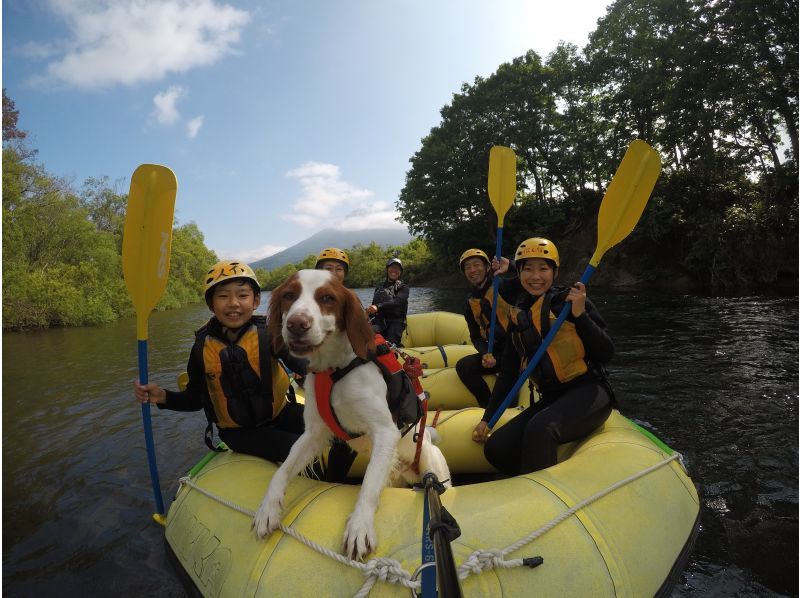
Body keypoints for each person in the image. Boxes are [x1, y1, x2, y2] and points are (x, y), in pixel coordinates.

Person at [133, 260, 350, 479]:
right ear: (211, 304)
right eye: (223, 296)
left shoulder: (269, 335)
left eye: (243, 295)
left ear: (255, 301)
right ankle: (328, 482)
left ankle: (341, 479)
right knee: (305, 452)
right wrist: (163, 397)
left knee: (343, 429)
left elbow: (305, 366)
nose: (233, 303)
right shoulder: (201, 349)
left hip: (281, 413)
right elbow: (195, 399)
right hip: (240, 433)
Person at [471, 237, 615, 475]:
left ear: (555, 272)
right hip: (552, 397)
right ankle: (532, 477)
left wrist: (581, 316)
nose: (535, 276)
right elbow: (508, 374)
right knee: (496, 448)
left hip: (590, 391)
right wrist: (488, 418)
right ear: (519, 273)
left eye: (543, 269)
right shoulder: (519, 316)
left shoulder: (570, 303)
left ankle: (538, 493)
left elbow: (606, 353)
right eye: (528, 269)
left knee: (541, 428)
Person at [455, 248, 522, 408]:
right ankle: (486, 405)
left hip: (518, 351)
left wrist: (511, 265)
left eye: (476, 264)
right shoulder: (469, 303)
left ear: (487, 268)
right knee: (463, 366)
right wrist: (486, 353)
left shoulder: (503, 286)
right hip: (498, 353)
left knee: (509, 398)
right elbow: (475, 337)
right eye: (468, 267)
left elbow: (531, 278)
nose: (472, 270)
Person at [367, 257, 409, 346]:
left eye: (397, 268)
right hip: (379, 322)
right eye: (392, 267)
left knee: (389, 346)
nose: (394, 270)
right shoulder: (379, 287)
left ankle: (395, 348)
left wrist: (378, 306)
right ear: (387, 270)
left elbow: (397, 301)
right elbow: (373, 306)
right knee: (365, 336)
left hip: (395, 322)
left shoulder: (404, 288)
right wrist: (367, 314)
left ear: (400, 272)